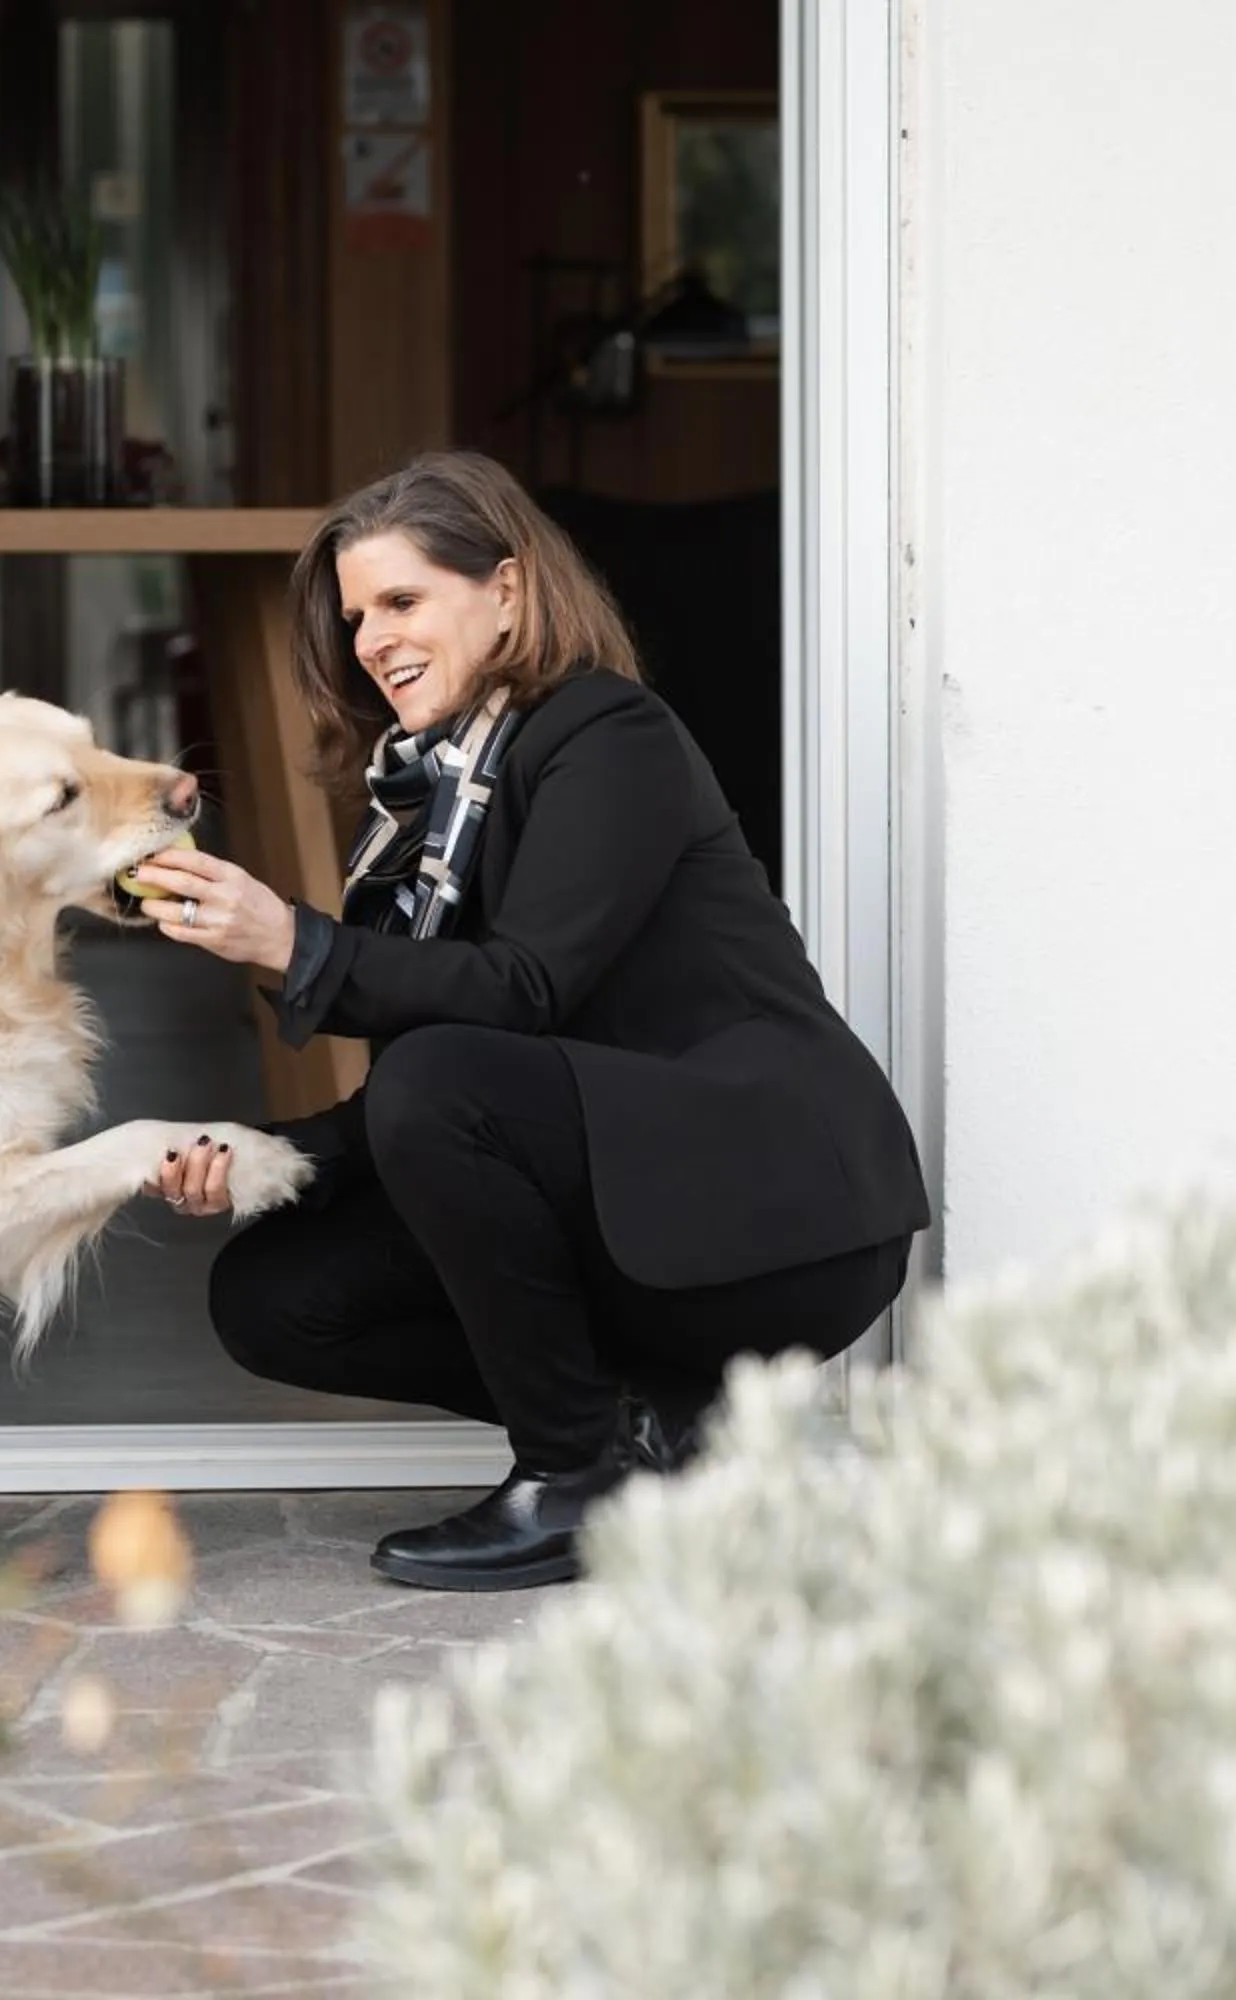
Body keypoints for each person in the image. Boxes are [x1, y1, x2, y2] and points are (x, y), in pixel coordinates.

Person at [127, 449, 931, 1591]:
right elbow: (455, 1077)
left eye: (403, 600)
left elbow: (521, 993)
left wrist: (294, 941)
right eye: (358, 616)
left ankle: (571, 1473)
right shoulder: (435, 796)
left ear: (506, 590)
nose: (371, 639)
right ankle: (655, 1430)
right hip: (635, 1187)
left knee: (441, 1080)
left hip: (782, 1214)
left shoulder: (608, 736)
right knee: (273, 1295)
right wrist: (263, 1157)